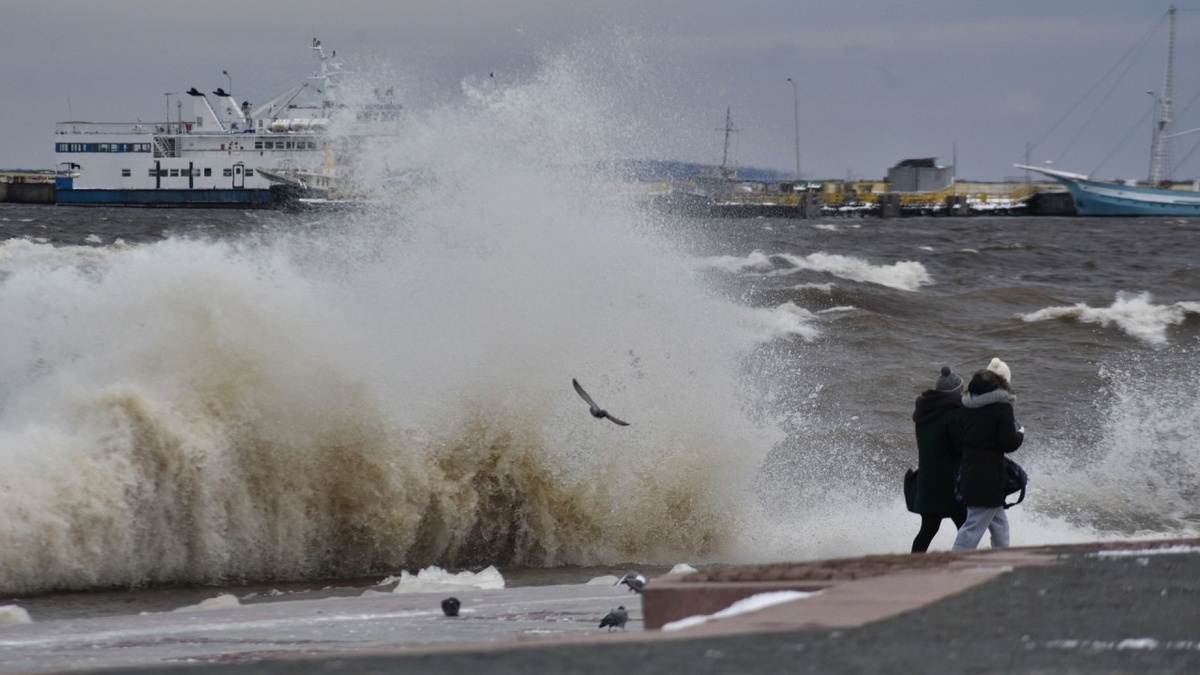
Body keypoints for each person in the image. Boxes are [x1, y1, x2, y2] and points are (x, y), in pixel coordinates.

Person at [952, 358, 1025, 550]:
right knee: (971, 530)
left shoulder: (966, 405)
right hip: (989, 478)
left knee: (1000, 526)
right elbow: (1008, 443)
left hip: (970, 472)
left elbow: (962, 436)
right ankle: (952, 566)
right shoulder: (1003, 407)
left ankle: (1000, 561)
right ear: (1004, 383)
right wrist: (1020, 433)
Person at [911, 366, 968, 553]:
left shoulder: (923, 413)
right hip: (949, 483)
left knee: (928, 530)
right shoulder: (952, 413)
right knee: (966, 527)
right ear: (956, 391)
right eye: (961, 390)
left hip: (927, 482)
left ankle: (912, 567)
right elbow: (960, 447)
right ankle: (964, 566)